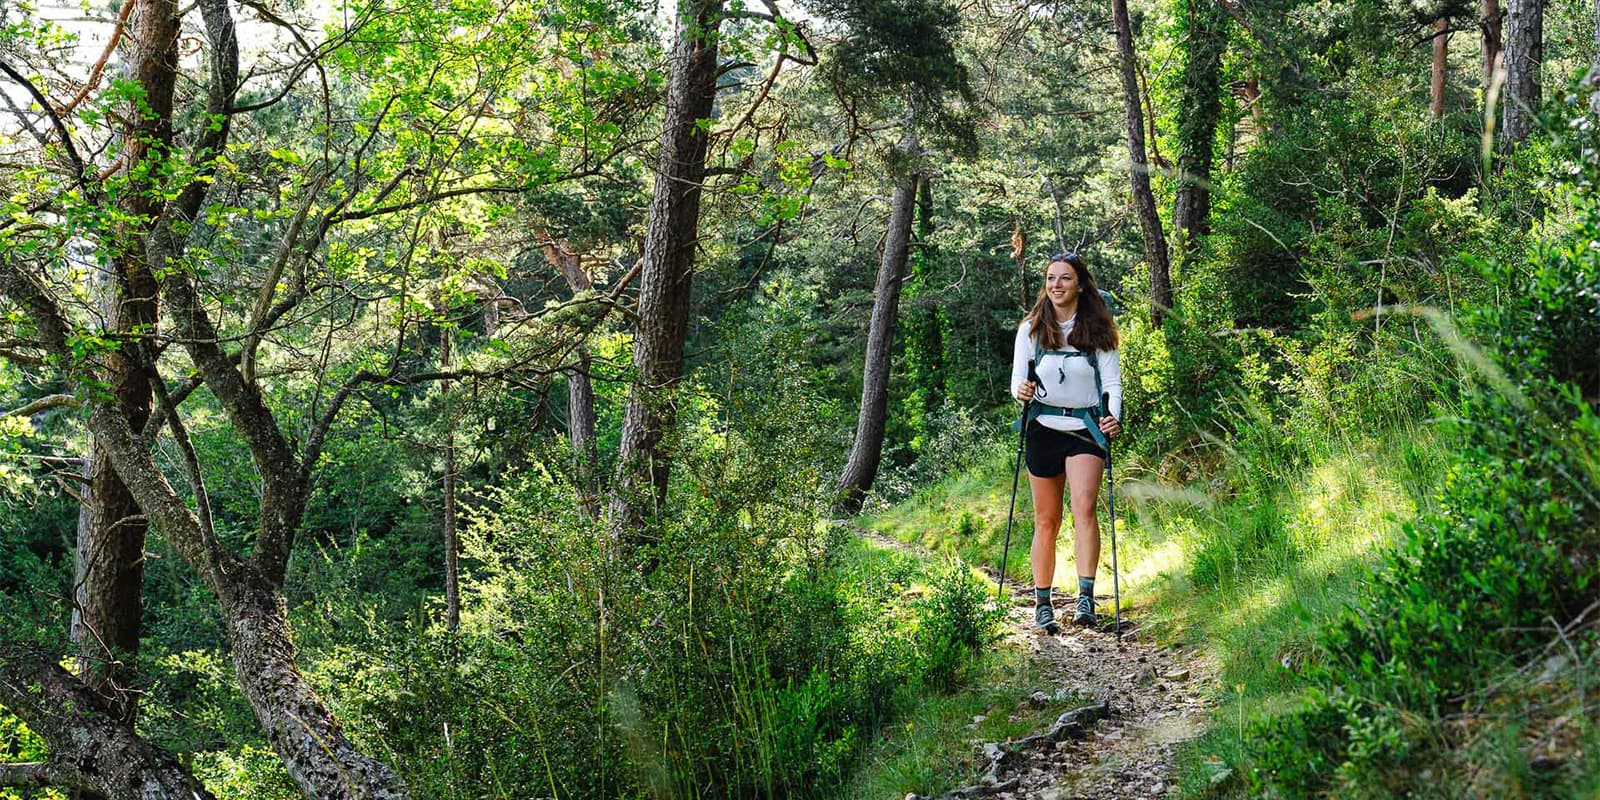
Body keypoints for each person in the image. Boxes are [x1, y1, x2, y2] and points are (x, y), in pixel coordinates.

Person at [1010, 252, 1122, 633]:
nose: (1056, 285)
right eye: (1051, 279)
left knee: (1084, 509)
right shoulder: (1031, 329)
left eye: (1065, 279)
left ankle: (1085, 598)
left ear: (1079, 285)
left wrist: (1114, 417)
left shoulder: (1099, 330)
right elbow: (1016, 383)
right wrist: (1021, 391)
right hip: (1043, 426)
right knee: (1046, 520)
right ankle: (1043, 603)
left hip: (1087, 428)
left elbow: (1111, 384)